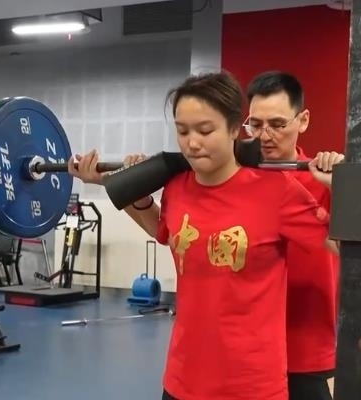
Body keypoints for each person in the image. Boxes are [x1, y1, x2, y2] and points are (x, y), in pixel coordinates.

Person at [67, 71, 340, 400]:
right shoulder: (177, 187)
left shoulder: (277, 191)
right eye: (182, 131)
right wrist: (126, 187)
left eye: (205, 130)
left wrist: (344, 189)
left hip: (251, 383)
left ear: (234, 129)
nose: (192, 143)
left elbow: (343, 247)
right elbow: (166, 233)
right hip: (183, 377)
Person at [244, 70, 343, 400]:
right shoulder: (240, 183)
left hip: (307, 349)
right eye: (255, 125)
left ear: (303, 120)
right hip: (248, 351)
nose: (265, 135)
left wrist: (344, 187)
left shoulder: (325, 180)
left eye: (277, 124)